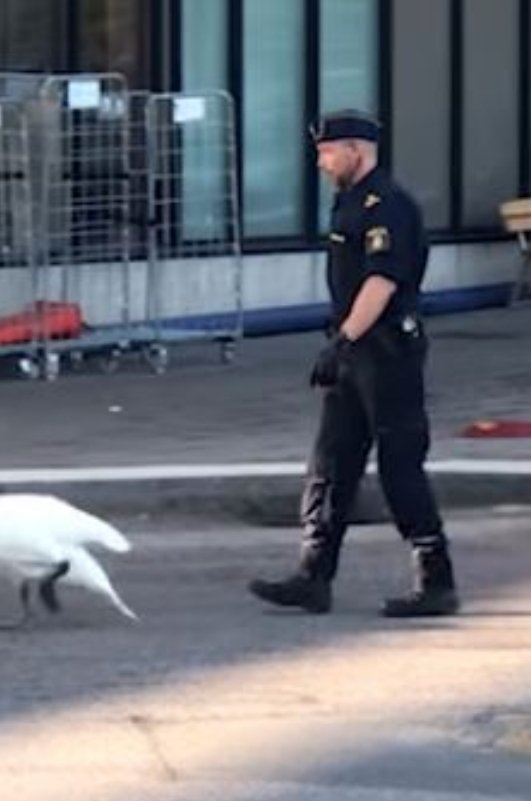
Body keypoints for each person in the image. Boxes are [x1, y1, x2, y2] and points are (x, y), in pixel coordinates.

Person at [249, 109, 459, 618]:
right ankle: (313, 576)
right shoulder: (349, 202)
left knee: (398, 465)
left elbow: (380, 283)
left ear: (356, 151)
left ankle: (436, 580)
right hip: (353, 352)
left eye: (327, 152)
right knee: (331, 464)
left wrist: (342, 340)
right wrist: (343, 346)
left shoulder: (388, 206)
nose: (321, 162)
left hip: (387, 353)